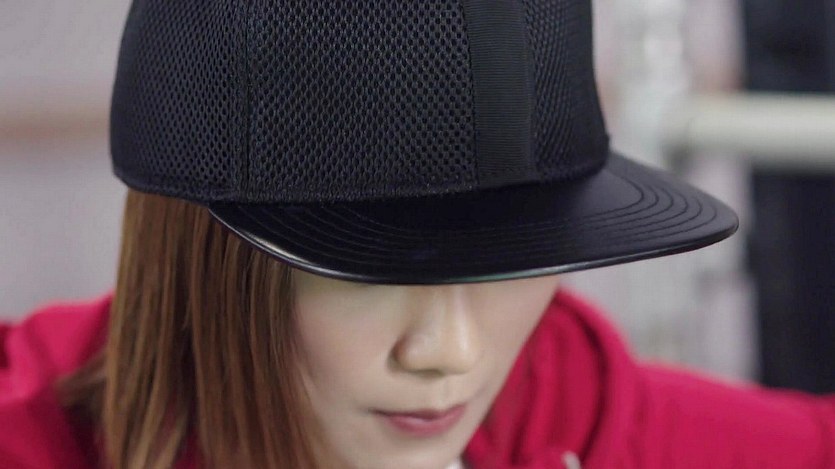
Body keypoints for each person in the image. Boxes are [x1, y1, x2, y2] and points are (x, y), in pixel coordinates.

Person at [2, 0, 834, 468]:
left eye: (512, 256)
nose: (450, 352)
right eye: (367, 268)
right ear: (203, 256)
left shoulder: (549, 395)